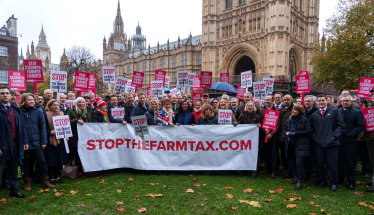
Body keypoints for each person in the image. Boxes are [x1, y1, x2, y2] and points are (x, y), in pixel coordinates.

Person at [309, 94, 345, 192]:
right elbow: (311, 129)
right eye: (319, 101)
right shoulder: (314, 115)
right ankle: (323, 181)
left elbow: (341, 125)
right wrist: (315, 137)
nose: (321, 102)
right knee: (320, 164)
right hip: (319, 144)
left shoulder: (334, 111)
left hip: (332, 143)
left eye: (323, 100)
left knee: (332, 164)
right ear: (317, 103)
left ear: (327, 101)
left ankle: (333, 183)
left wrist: (334, 136)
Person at [19, 93, 55, 190]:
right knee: (25, 162)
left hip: (36, 141)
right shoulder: (19, 112)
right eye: (29, 99)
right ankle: (27, 182)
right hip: (23, 142)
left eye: (32, 99)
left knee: (42, 161)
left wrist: (43, 141)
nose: (31, 101)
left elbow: (43, 128)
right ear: (23, 101)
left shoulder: (38, 112)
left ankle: (45, 181)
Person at [0, 87, 29, 198]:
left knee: (13, 168)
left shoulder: (16, 109)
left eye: (7, 93)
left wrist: (24, 141)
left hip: (15, 143)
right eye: (2, 93)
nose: (5, 95)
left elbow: (22, 127)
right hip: (2, 145)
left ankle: (14, 190)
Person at [337, 94, 365, 190]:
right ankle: (340, 178)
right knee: (340, 162)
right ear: (341, 101)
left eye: (347, 101)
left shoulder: (357, 112)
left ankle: (351, 182)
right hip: (339, 141)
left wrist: (351, 133)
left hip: (350, 142)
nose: (345, 102)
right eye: (343, 101)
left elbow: (361, 126)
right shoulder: (338, 112)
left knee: (350, 163)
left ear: (351, 102)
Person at [284, 104, 313, 190]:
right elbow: (285, 129)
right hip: (291, 144)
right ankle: (297, 176)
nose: (293, 111)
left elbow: (308, 131)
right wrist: (285, 133)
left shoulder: (304, 120)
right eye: (293, 109)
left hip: (301, 144)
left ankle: (300, 181)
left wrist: (295, 133)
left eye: (295, 110)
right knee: (293, 162)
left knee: (299, 163)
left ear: (300, 111)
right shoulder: (289, 120)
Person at [44, 99, 69, 185]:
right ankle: (51, 177)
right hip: (50, 140)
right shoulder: (45, 114)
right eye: (54, 105)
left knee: (59, 159)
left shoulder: (62, 114)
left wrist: (67, 135)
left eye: (57, 105)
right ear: (50, 106)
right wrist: (49, 132)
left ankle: (58, 176)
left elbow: (66, 126)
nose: (56, 107)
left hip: (60, 140)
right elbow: (42, 127)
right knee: (51, 160)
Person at [67, 97, 93, 177]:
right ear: (76, 104)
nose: (81, 104)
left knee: (87, 153)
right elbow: (67, 122)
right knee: (78, 154)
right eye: (79, 102)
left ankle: (87, 169)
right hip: (75, 136)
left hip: (86, 135)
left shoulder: (87, 111)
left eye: (83, 102)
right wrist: (76, 120)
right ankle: (79, 171)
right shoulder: (71, 111)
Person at [259, 95, 282, 178]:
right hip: (264, 136)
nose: (266, 101)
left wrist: (271, 134)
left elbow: (278, 124)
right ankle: (268, 167)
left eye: (268, 100)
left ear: (272, 100)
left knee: (274, 153)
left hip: (273, 137)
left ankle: (274, 170)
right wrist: (263, 129)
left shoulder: (278, 110)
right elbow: (259, 123)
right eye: (265, 99)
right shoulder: (261, 110)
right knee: (266, 152)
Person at [237, 101, 261, 178]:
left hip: (253, 138)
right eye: (248, 106)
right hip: (244, 138)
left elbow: (260, 125)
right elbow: (237, 123)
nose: (250, 107)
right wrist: (238, 122)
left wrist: (258, 125)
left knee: (253, 153)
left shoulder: (257, 116)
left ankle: (254, 170)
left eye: (251, 106)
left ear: (253, 107)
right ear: (246, 107)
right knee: (245, 153)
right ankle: (245, 169)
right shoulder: (242, 114)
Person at [303, 95, 319, 184]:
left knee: (315, 157)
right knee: (306, 157)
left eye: (308, 101)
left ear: (313, 102)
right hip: (305, 138)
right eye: (305, 101)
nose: (306, 103)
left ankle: (317, 175)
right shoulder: (303, 111)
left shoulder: (317, 112)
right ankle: (307, 173)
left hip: (314, 138)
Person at [279, 94, 293, 178]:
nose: (286, 101)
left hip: (288, 135)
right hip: (282, 135)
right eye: (285, 100)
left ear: (291, 100)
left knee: (289, 155)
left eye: (288, 100)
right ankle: (285, 169)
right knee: (284, 154)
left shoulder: (293, 109)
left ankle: (289, 171)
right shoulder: (282, 109)